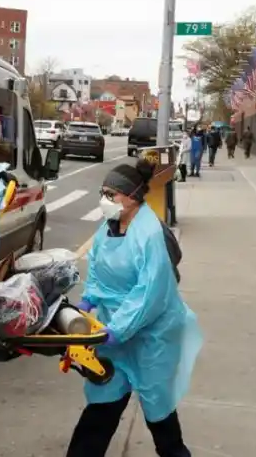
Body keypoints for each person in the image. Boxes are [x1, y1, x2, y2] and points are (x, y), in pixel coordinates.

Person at [67, 160, 202, 457]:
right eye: (103, 193)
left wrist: (118, 330)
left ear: (132, 197)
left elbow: (150, 294)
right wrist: (89, 300)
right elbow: (99, 269)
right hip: (113, 329)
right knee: (104, 398)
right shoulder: (108, 227)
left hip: (153, 334)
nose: (105, 201)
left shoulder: (149, 234)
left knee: (158, 408)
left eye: (111, 194)